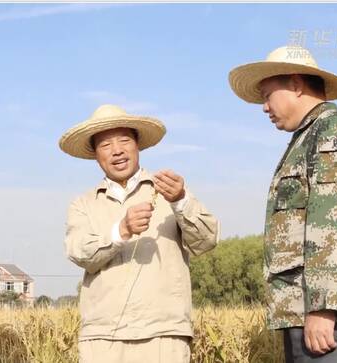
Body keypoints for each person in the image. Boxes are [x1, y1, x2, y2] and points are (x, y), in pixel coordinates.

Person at [228, 46, 337, 362]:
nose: (264, 107)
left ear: (296, 84)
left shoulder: (332, 129)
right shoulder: (309, 136)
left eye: (267, 94)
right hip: (313, 312)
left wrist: (324, 308)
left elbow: (336, 220)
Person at [59, 104, 220, 363]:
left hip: (164, 334)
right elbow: (79, 252)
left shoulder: (169, 192)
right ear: (95, 155)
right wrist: (121, 230)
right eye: (105, 145)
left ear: (137, 145)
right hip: (102, 338)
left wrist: (181, 200)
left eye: (124, 140)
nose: (117, 151)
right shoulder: (83, 204)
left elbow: (206, 240)